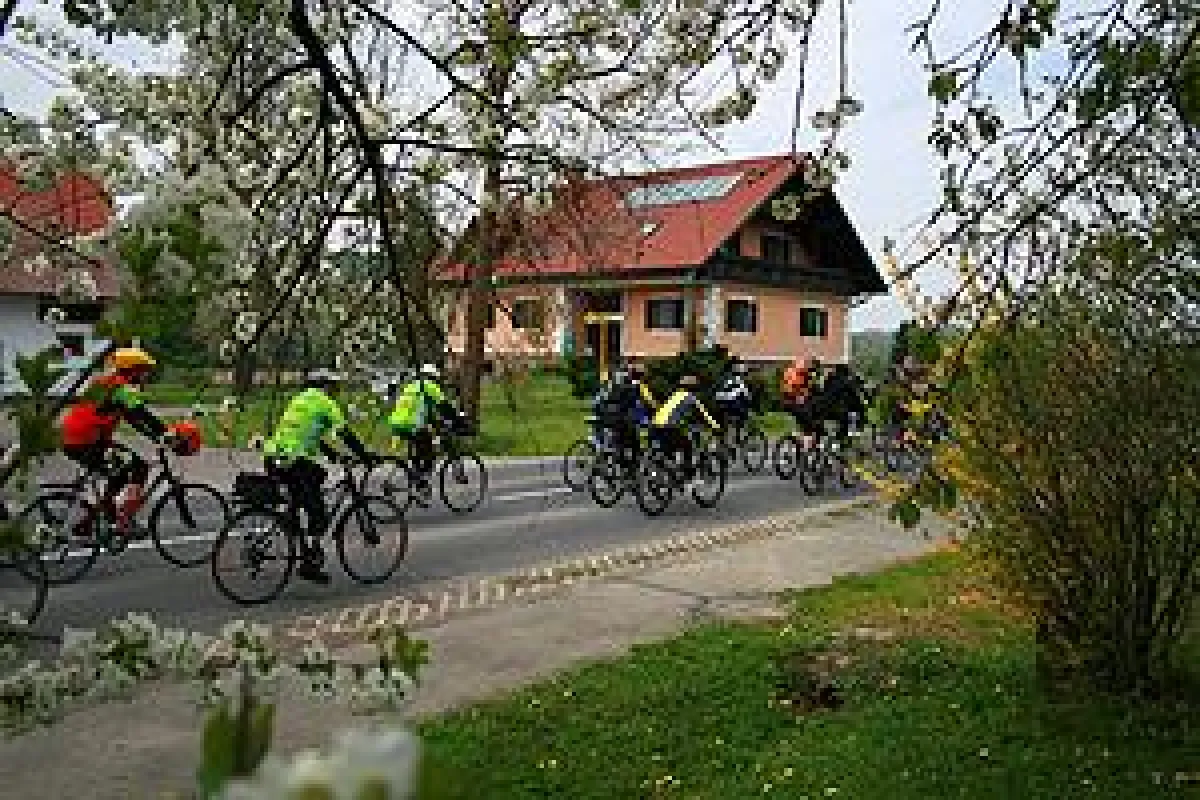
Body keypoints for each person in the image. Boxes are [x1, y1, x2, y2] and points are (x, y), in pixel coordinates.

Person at [60, 346, 186, 537]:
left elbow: (133, 419)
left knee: (123, 470)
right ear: (133, 370)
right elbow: (142, 414)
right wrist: (167, 434)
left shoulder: (108, 383)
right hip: (86, 442)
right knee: (134, 468)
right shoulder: (122, 388)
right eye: (144, 371)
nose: (146, 376)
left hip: (79, 440)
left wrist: (158, 436)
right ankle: (122, 522)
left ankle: (93, 521)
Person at [264, 369, 375, 584]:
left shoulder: (299, 400)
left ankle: (302, 542)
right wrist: (365, 456)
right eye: (333, 387)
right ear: (325, 386)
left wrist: (332, 454)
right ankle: (309, 562)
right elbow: (344, 433)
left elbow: (310, 432)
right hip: (294, 461)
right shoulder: (325, 403)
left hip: (273, 457)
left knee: (314, 480)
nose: (335, 391)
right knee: (319, 513)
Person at [388, 363, 456, 505]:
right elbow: (445, 407)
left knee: (419, 450)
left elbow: (426, 412)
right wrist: (457, 421)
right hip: (412, 424)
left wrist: (435, 423)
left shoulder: (411, 386)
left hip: (396, 422)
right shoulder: (430, 387)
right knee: (430, 452)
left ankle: (416, 478)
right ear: (433, 378)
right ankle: (420, 481)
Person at [650, 373, 721, 482]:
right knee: (687, 447)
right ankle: (686, 475)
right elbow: (703, 414)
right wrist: (716, 427)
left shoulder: (674, 396)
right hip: (668, 427)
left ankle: (668, 475)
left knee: (670, 450)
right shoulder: (690, 398)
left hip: (655, 426)